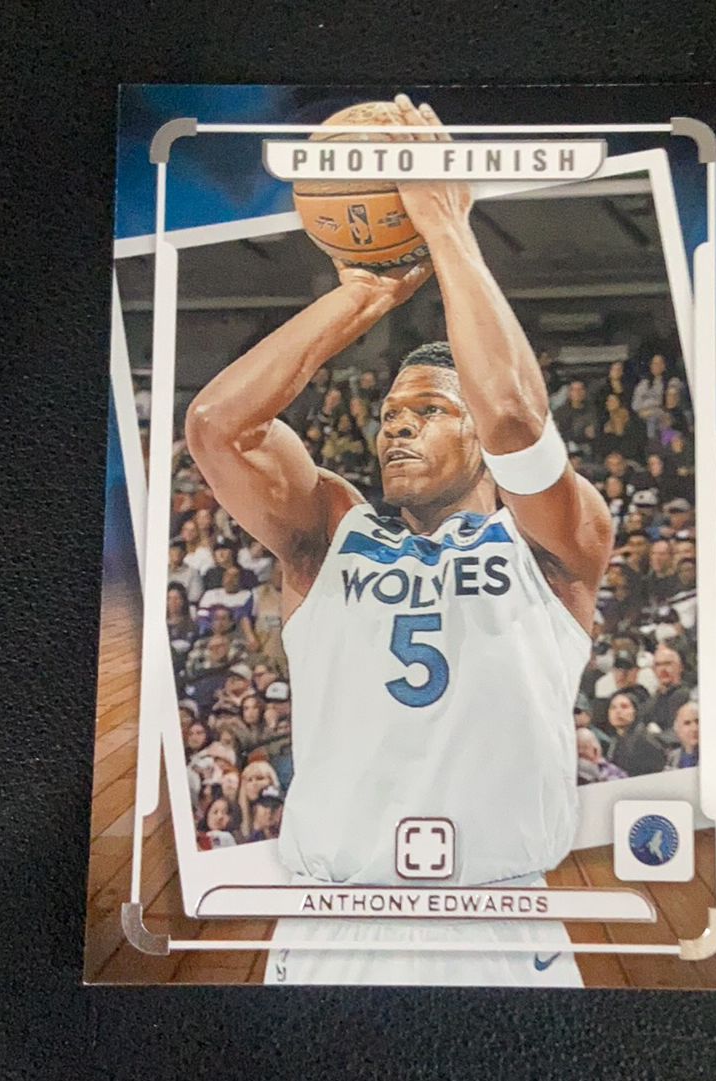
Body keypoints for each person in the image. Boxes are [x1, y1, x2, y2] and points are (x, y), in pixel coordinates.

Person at [185, 94, 613, 989]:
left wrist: (446, 224)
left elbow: (512, 413)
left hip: (498, 923)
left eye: (428, 410)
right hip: (334, 918)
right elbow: (217, 427)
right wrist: (363, 293)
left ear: (477, 441)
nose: (397, 427)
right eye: (387, 414)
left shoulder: (557, 543)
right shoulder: (331, 531)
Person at [604, 692, 665, 777]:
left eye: (624, 707)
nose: (618, 711)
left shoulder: (645, 740)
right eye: (613, 708)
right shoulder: (615, 741)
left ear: (635, 711)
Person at [638, 642, 693, 734]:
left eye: (668, 664)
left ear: (680, 667)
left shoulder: (684, 696)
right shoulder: (652, 700)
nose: (663, 669)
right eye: (658, 665)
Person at [663, 701, 700, 769]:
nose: (694, 728)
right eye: (687, 723)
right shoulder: (673, 758)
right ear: (677, 729)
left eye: (697, 721)